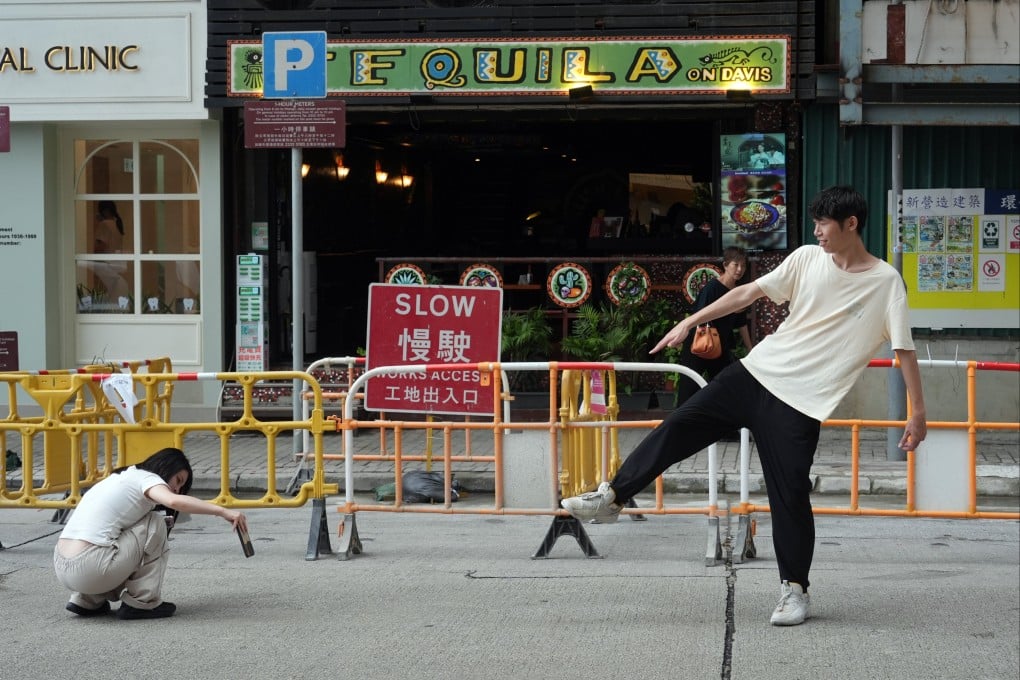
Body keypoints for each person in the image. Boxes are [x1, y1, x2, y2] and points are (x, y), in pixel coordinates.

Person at [561, 186, 927, 626]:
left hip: (800, 404)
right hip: (754, 375)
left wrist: (918, 412)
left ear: (851, 225)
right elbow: (748, 293)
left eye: (824, 225)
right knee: (681, 424)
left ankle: (795, 591)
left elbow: (904, 350)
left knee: (789, 496)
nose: (817, 232)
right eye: (816, 224)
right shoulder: (807, 258)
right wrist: (690, 320)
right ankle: (613, 496)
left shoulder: (885, 282)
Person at [53, 447, 249, 620]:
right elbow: (173, 501)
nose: (176, 488)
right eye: (178, 481)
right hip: (91, 567)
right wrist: (223, 511)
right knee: (156, 522)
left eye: (181, 487)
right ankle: (142, 603)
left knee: (123, 533)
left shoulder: (118, 478)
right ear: (166, 467)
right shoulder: (148, 479)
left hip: (62, 565)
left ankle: (87, 600)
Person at [673, 246, 754, 407]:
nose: (740, 269)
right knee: (688, 388)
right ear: (725, 265)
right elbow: (699, 316)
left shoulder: (739, 291)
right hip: (698, 344)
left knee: (725, 388)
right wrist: (729, 309)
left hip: (720, 346)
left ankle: (730, 431)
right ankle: (681, 427)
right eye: (735, 265)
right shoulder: (712, 288)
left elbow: (741, 323)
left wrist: (750, 348)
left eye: (743, 265)